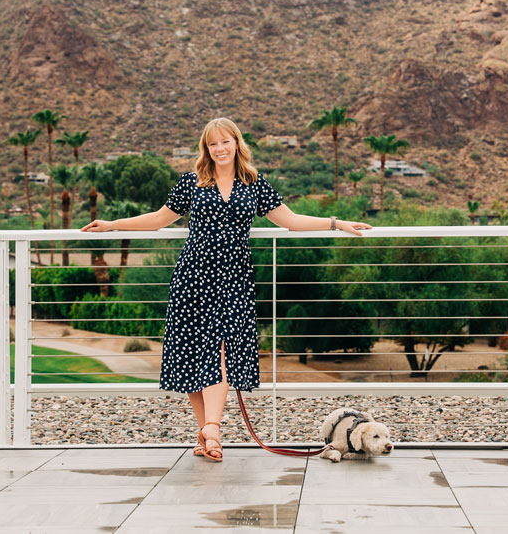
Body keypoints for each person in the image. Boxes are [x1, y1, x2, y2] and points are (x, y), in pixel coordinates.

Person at [82, 117, 372, 462]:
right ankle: (207, 433)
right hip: (193, 276)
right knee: (193, 353)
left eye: (225, 142)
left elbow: (291, 221)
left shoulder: (254, 183)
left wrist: (337, 223)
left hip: (234, 278)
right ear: (206, 149)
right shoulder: (192, 181)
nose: (219, 149)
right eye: (212, 144)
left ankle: (212, 430)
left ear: (237, 143)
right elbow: (159, 219)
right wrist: (113, 225)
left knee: (219, 350)